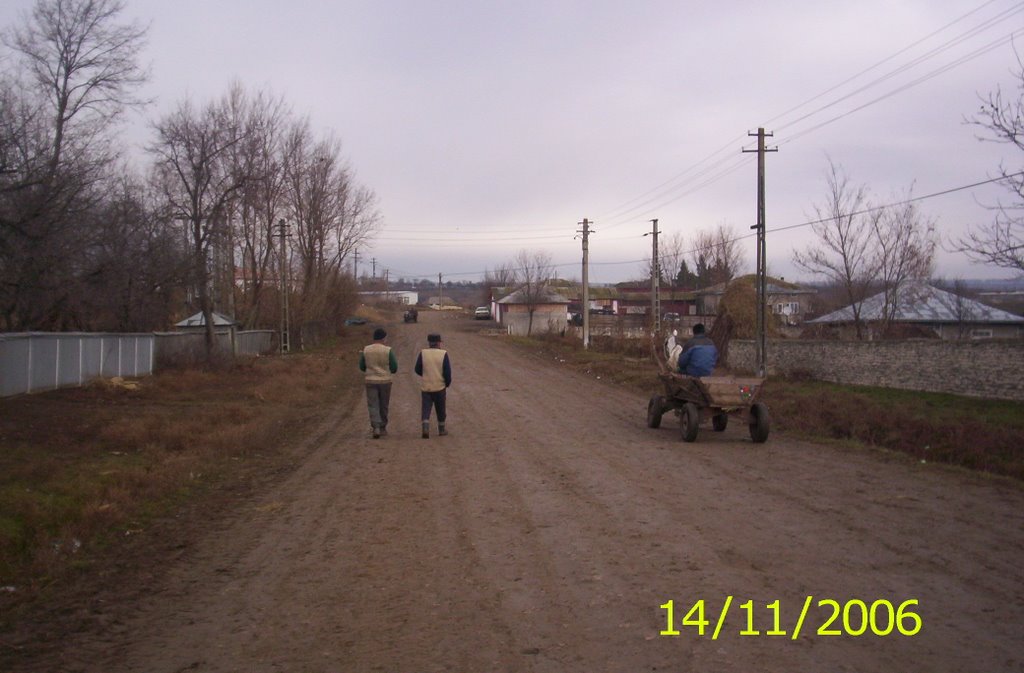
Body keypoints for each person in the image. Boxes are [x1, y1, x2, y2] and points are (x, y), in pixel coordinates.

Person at [358, 327, 397, 439]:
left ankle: (375, 427)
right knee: (383, 405)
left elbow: (362, 366)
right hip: (385, 381)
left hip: (370, 380)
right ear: (384, 338)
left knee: (373, 405)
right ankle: (383, 427)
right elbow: (394, 367)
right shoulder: (388, 350)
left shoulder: (366, 350)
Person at [414, 333, 452, 439]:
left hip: (426, 386)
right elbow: (447, 372)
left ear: (429, 343)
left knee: (426, 408)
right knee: (440, 409)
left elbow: (417, 369)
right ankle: (441, 429)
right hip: (439, 386)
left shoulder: (423, 353)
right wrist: (447, 383)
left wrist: (426, 374)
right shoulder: (443, 354)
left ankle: (425, 428)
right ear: (439, 343)